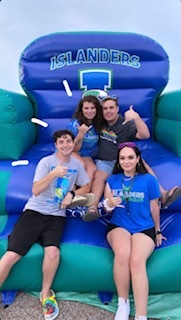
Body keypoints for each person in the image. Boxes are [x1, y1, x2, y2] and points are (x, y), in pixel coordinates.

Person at [0, 129, 90, 320]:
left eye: (68, 141)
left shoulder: (77, 164)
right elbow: (36, 190)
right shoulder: (46, 163)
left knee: (53, 252)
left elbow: (86, 185)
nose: (65, 145)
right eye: (61, 142)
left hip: (56, 216)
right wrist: (53, 174)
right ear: (56, 145)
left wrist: (72, 194)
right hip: (34, 212)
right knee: (11, 255)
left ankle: (45, 294)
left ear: (73, 144)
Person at [83, 96, 181, 221]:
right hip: (105, 162)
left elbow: (145, 135)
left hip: (124, 161)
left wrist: (136, 117)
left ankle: (163, 194)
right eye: (105, 108)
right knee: (99, 176)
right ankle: (92, 207)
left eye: (111, 108)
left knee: (142, 163)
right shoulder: (100, 123)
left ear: (117, 109)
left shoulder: (126, 124)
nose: (108, 111)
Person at [104, 142, 166, 320]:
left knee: (137, 260)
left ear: (138, 159)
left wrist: (158, 231)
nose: (126, 161)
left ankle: (141, 315)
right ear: (118, 160)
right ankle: (123, 303)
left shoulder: (149, 180)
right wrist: (108, 204)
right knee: (122, 254)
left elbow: (155, 209)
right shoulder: (112, 179)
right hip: (119, 225)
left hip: (144, 227)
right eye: (122, 158)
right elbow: (106, 207)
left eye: (130, 157)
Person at [67, 95, 104, 187]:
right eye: (86, 108)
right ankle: (68, 191)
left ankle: (83, 195)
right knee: (80, 165)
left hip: (87, 155)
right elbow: (73, 149)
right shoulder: (75, 124)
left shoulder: (99, 124)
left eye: (92, 108)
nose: (89, 111)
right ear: (82, 110)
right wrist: (80, 135)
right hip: (72, 152)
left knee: (92, 169)